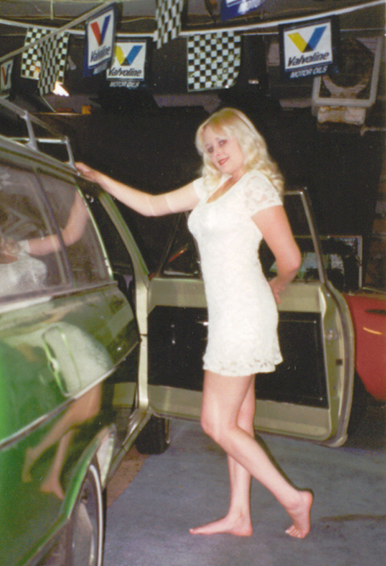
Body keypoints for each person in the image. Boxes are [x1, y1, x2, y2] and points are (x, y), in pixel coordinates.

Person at [76, 107, 313, 539]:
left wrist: (277, 285)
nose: (216, 152)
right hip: (228, 312)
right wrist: (101, 180)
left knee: (215, 424)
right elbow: (152, 206)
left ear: (244, 139)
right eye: (209, 146)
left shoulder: (255, 186)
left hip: (244, 312)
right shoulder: (211, 186)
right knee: (238, 421)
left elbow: (291, 258)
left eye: (223, 142)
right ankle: (239, 514)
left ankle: (293, 498)